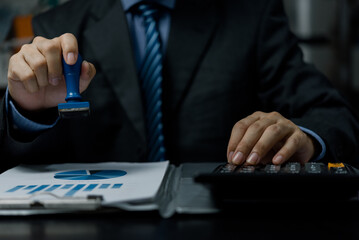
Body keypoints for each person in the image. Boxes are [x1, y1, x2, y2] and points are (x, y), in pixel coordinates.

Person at [0, 0, 359, 170]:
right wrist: (27, 111)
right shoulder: (57, 23)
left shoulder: (253, 15)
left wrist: (304, 137)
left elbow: (332, 115)